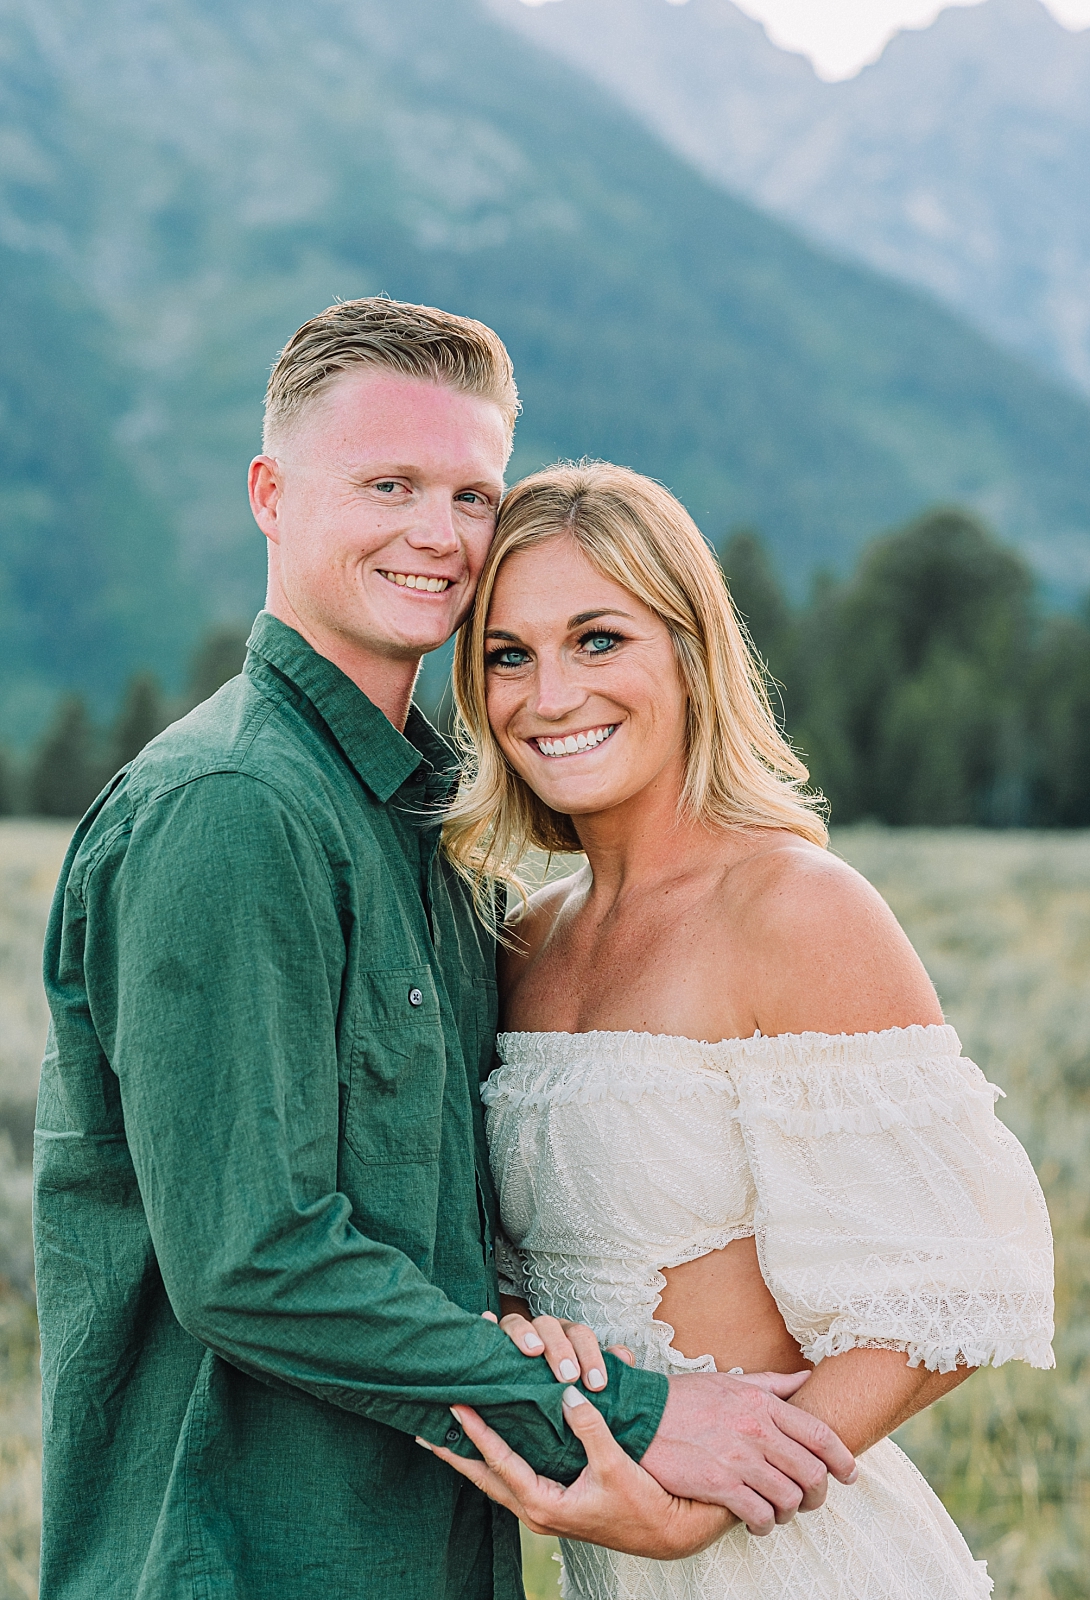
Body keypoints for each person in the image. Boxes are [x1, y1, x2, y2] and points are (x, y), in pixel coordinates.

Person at [34, 304, 856, 1600]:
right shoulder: (231, 809)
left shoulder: (426, 826)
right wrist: (640, 1415)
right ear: (269, 493)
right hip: (242, 1561)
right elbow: (254, 1258)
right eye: (389, 485)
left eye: (472, 494)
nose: (437, 533)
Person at [433, 461, 1056, 1599]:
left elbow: (959, 1283)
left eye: (599, 639)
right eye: (506, 655)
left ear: (689, 649)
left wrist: (697, 1512)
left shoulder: (793, 907)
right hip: (609, 1566)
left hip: (795, 1559)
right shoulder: (521, 943)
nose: (550, 695)